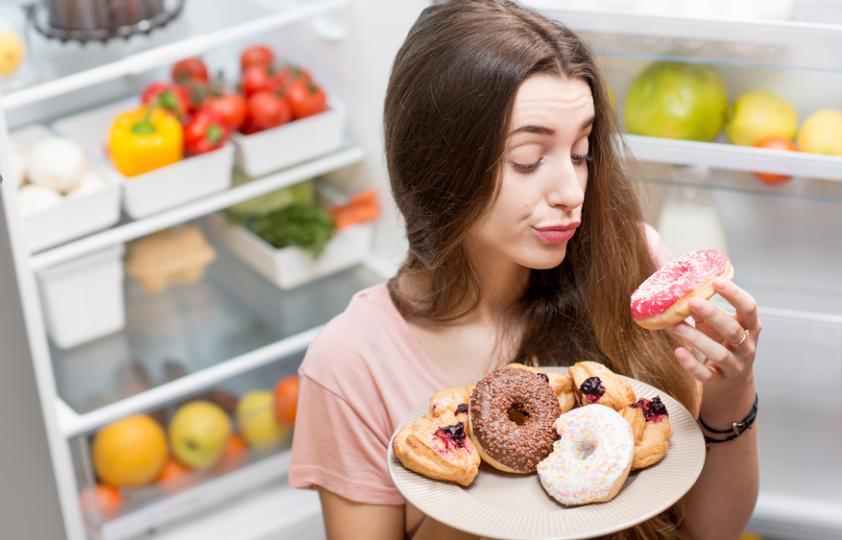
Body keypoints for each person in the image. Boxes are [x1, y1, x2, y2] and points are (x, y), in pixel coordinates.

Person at [289, 1, 760, 538]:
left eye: (580, 152)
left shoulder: (633, 264)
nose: (569, 193)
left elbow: (713, 530)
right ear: (440, 162)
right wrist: (492, 496)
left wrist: (732, 394)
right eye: (528, 160)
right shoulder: (353, 362)